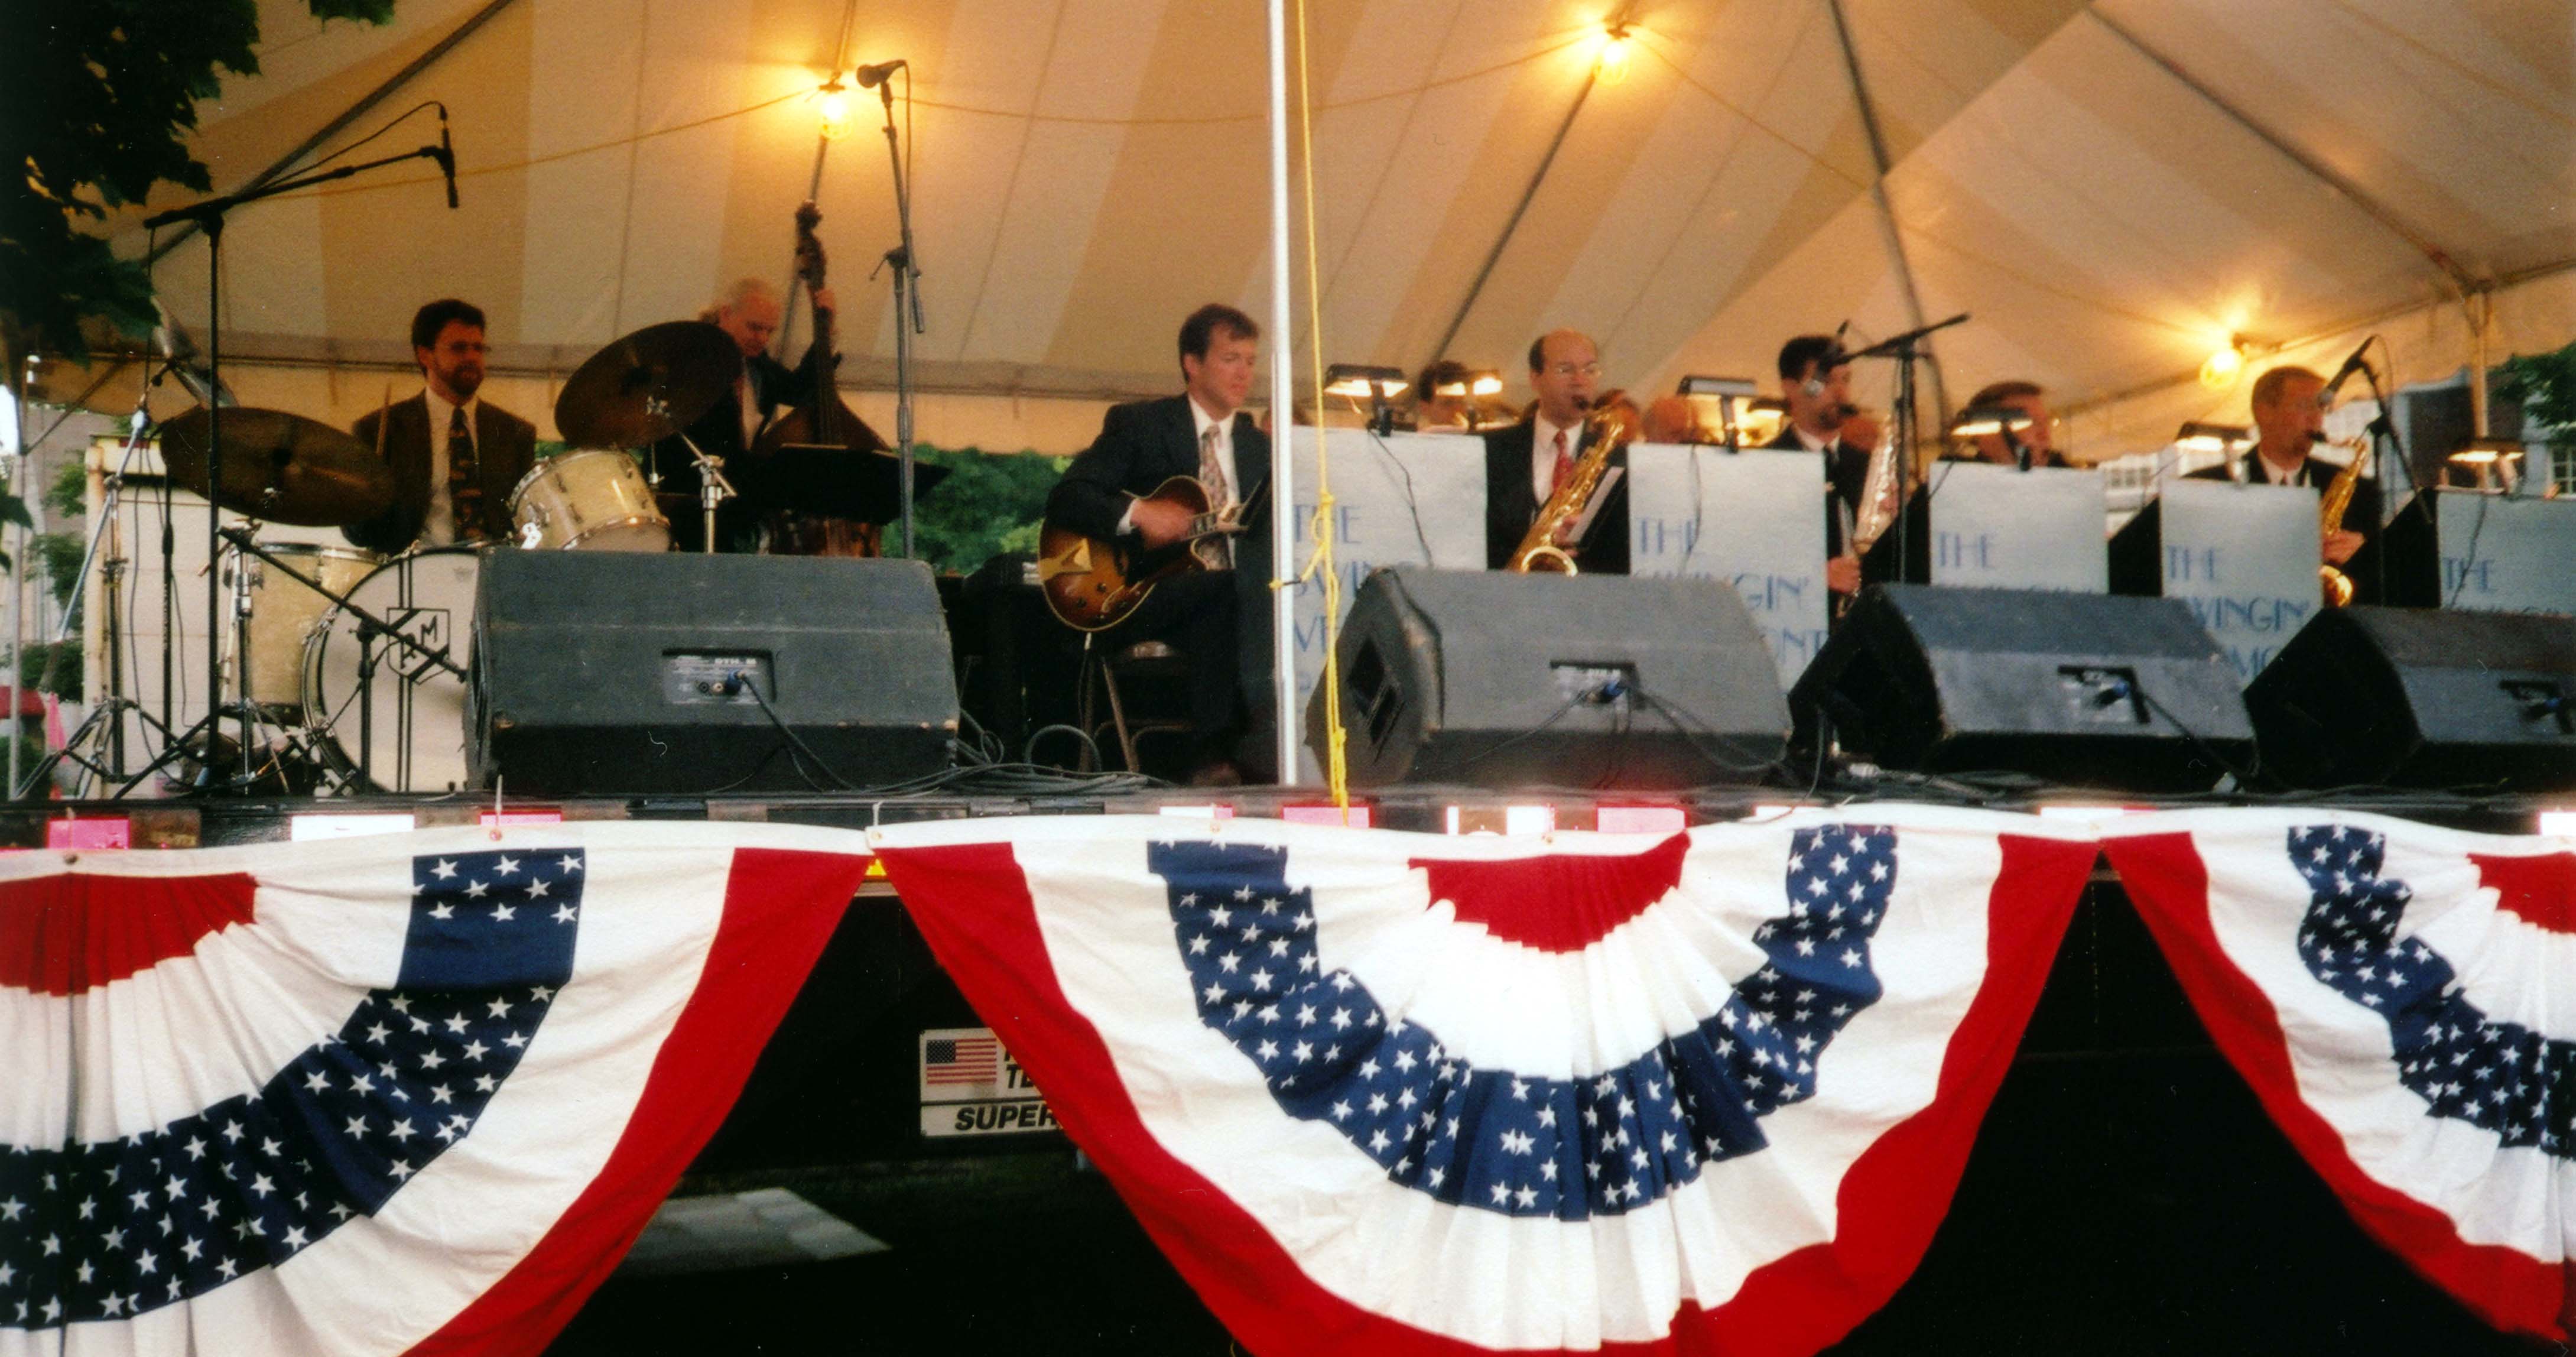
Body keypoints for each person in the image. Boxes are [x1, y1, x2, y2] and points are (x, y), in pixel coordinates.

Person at [1045, 303, 1271, 785]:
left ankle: (1275, 751)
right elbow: (1069, 497)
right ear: (1192, 363)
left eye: (1251, 361)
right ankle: (1211, 758)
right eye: (1230, 359)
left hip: (1232, 602)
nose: (1244, 373)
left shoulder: (1260, 448)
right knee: (1228, 590)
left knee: (1261, 593)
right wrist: (1138, 513)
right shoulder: (1141, 425)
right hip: (1139, 591)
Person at [650, 278, 834, 553]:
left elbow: (799, 391)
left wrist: (825, 331)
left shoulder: (758, 366)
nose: (763, 339)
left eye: (770, 331)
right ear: (726, 314)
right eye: (755, 327)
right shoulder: (691, 358)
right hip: (685, 503)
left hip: (728, 502)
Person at [345, 299, 538, 553]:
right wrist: (365, 502)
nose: (472, 357)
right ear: (424, 355)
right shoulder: (380, 429)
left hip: (492, 569)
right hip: (411, 570)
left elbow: (526, 522)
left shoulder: (514, 433)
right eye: (459, 348)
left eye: (478, 348)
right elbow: (358, 534)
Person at [2188, 364, 2377, 568]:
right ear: (2264, 413)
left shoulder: (2361, 492)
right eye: (2305, 406)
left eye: (2321, 408)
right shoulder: (2204, 488)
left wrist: (2362, 554)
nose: (2317, 419)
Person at [1483, 329, 1630, 574]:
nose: (1580, 381)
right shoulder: (1490, 449)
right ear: (1535, 378)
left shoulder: (1620, 459)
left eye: (1590, 370)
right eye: (1565, 370)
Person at [1763, 335, 1878, 596]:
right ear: (1790, 388)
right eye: (1825, 382)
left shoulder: (1867, 464)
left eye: (1845, 380)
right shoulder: (1765, 465)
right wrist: (1813, 573)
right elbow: (1754, 552)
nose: (1841, 394)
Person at [1947, 380, 2068, 469]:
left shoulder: (2067, 483)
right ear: (1986, 431)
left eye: (2045, 423)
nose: (2045, 436)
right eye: (2030, 423)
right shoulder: (1950, 482)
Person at [1412, 361, 1474, 432]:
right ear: (1424, 408)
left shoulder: (1476, 437)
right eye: (1448, 403)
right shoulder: (1413, 439)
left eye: (1461, 402)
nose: (1458, 410)